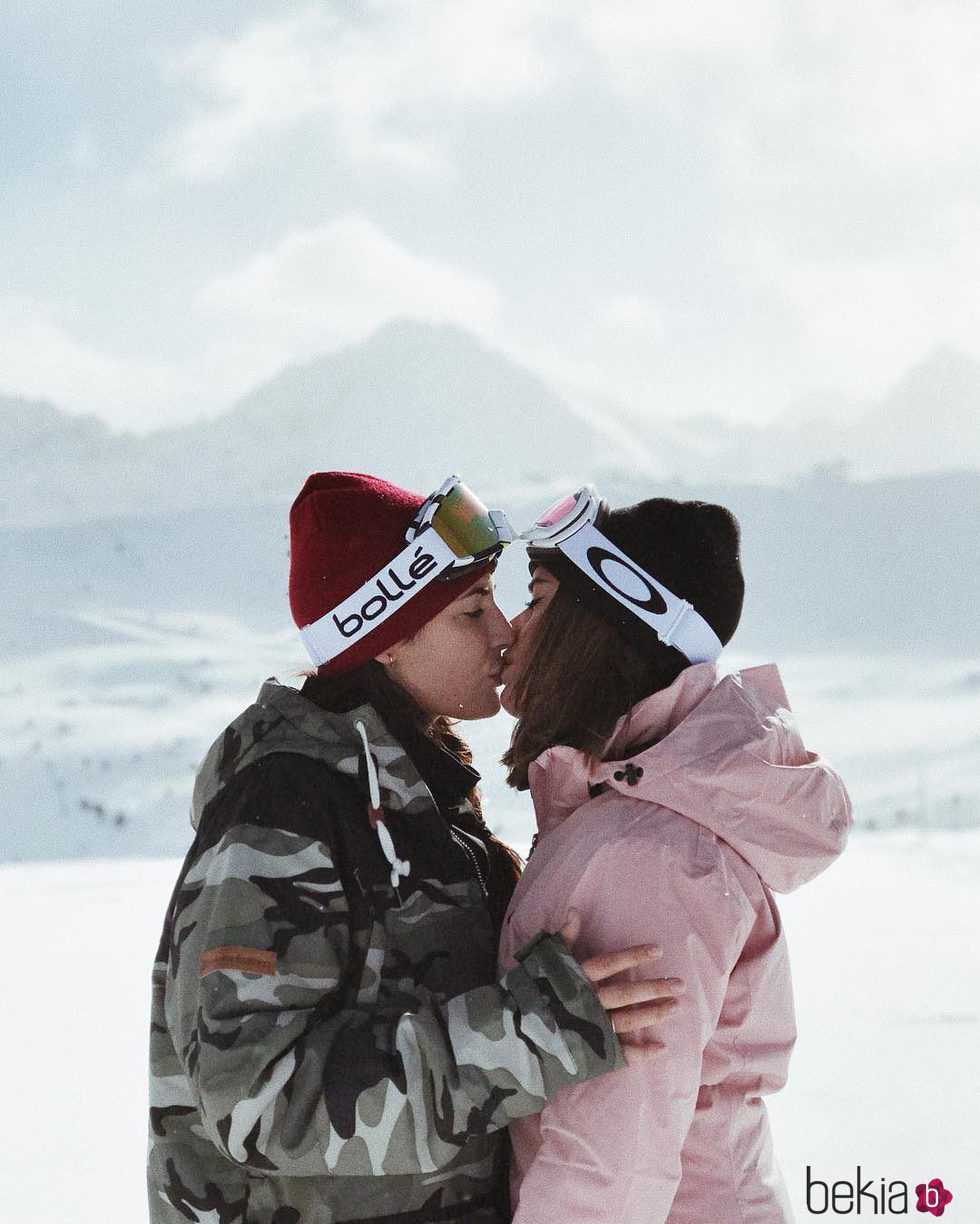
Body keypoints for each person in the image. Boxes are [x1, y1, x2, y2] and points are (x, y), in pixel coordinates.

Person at [147, 472, 684, 1224]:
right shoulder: (283, 813)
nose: (504, 632)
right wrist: (527, 1038)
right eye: (472, 611)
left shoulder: (418, 794)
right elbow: (257, 1099)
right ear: (388, 638)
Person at [497, 487, 852, 1223]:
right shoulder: (634, 820)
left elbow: (608, 1170)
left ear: (597, 625)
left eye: (536, 598)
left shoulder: (644, 852)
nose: (514, 627)